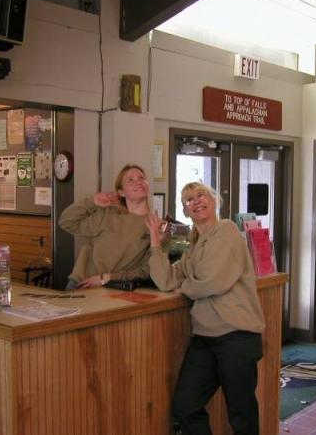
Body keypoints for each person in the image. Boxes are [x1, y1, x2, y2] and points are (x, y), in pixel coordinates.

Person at [145, 182, 265, 435]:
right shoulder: (193, 247)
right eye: (189, 200)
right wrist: (156, 244)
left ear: (214, 201)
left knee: (242, 414)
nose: (196, 201)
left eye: (201, 195)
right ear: (185, 211)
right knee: (185, 406)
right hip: (205, 338)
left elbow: (213, 282)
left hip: (237, 336)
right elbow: (166, 280)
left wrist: (185, 286)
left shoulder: (227, 230)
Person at [59, 164, 151, 289]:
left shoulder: (155, 225)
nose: (138, 182)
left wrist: (106, 278)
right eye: (131, 180)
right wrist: (92, 201)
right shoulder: (108, 214)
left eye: (141, 178)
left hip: (115, 289)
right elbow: (66, 221)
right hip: (82, 283)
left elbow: (145, 271)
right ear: (121, 192)